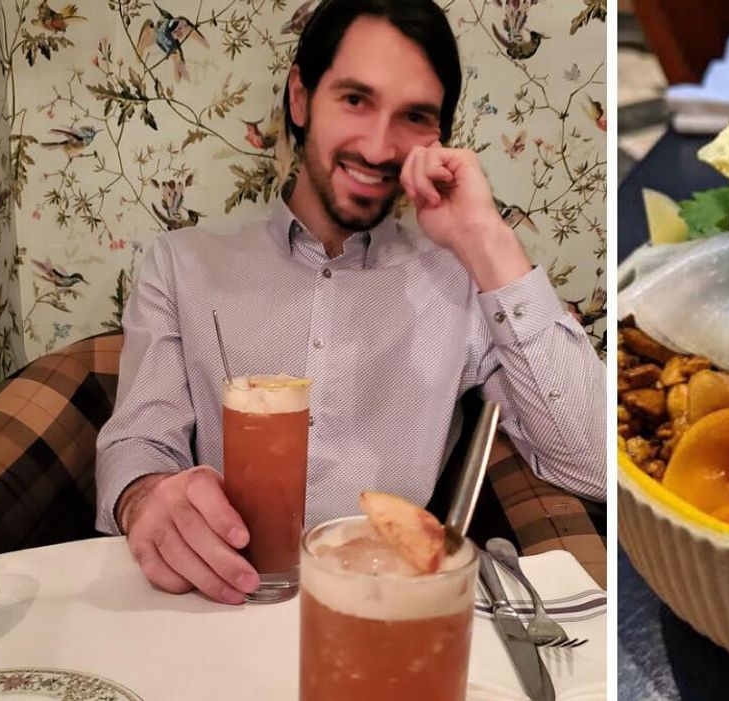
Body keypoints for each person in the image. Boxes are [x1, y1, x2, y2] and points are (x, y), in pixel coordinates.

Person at [95, 0, 606, 605]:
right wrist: (147, 497)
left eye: (414, 116)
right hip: (221, 598)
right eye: (355, 100)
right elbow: (140, 441)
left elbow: (596, 464)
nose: (379, 146)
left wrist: (485, 239)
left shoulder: (462, 280)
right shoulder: (184, 264)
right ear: (301, 97)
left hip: (383, 612)